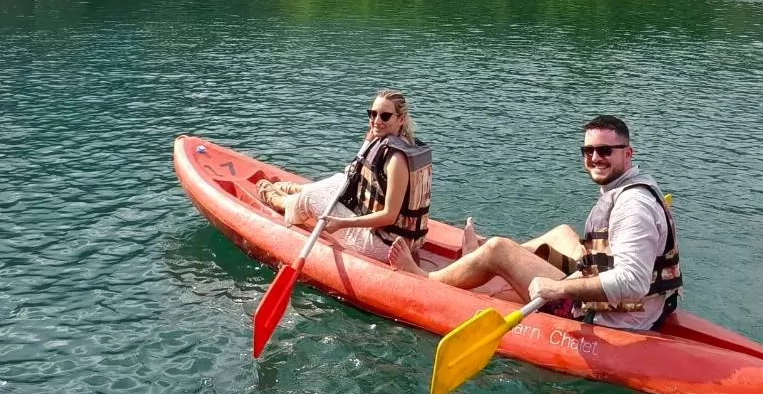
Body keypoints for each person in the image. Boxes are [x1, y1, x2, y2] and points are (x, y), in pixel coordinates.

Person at [388, 115, 681, 332]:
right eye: (588, 151)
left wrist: (559, 289)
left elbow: (633, 282)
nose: (595, 158)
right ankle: (478, 259)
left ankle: (429, 276)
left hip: (616, 316)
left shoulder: (633, 206)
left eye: (605, 151)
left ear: (627, 154)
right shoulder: (631, 187)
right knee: (562, 233)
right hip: (646, 306)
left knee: (498, 249)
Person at [258, 90, 432, 263]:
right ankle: (294, 189)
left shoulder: (396, 160)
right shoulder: (400, 141)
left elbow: (389, 216)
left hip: (389, 246)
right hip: (396, 236)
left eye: (385, 116)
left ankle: (278, 199)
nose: (377, 121)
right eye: (373, 114)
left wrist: (341, 223)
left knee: (311, 198)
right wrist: (372, 135)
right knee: (342, 179)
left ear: (400, 119)